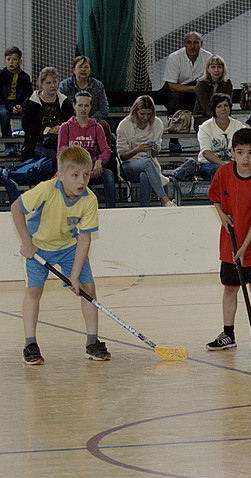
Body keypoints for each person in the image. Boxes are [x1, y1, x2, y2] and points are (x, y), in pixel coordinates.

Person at [11, 145, 109, 364]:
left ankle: (92, 343)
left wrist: (74, 276)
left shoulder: (89, 200)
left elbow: (84, 239)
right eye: (75, 175)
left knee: (89, 289)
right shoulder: (46, 190)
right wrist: (26, 243)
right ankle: (30, 343)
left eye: (85, 175)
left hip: (69, 248)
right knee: (34, 292)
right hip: (39, 247)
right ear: (61, 174)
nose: (81, 181)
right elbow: (16, 208)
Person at [205, 127, 251, 353]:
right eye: (241, 152)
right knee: (230, 289)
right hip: (230, 244)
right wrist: (221, 215)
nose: (246, 158)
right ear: (232, 152)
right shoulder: (223, 173)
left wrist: (244, 248)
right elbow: (214, 196)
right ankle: (228, 334)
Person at [57, 91, 115, 208]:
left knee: (108, 176)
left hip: (92, 170)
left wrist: (100, 161)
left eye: (86, 105)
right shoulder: (66, 127)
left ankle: (111, 209)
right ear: (74, 106)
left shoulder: (96, 127)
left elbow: (106, 150)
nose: (83, 109)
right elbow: (60, 154)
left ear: (90, 107)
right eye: (80, 105)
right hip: (73, 171)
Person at [116, 95, 174, 207]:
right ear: (135, 111)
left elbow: (155, 154)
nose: (145, 117)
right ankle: (164, 199)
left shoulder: (157, 124)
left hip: (149, 163)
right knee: (147, 164)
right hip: (128, 165)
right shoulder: (124, 125)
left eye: (149, 114)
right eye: (142, 114)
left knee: (145, 175)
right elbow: (122, 156)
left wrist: (155, 150)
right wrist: (137, 149)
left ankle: (144, 208)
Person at [163, 31, 213, 152]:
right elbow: (171, 85)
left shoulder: (208, 57)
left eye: (196, 42)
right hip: (176, 91)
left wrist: (199, 90)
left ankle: (206, 139)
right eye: (189, 42)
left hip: (198, 92)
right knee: (176, 97)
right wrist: (194, 89)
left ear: (201, 44)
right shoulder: (174, 57)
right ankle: (173, 141)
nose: (193, 46)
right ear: (184, 44)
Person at [20, 67, 73, 163]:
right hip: (37, 143)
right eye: (49, 83)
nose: (53, 85)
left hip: (61, 141)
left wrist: (61, 127)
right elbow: (26, 126)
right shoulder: (30, 102)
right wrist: (48, 130)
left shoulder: (65, 101)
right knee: (53, 157)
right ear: (41, 84)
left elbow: (71, 121)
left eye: (54, 82)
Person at [195, 93, 246, 181]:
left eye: (226, 105)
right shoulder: (205, 127)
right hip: (208, 164)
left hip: (234, 164)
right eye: (219, 106)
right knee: (221, 171)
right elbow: (206, 153)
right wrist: (225, 165)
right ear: (214, 109)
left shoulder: (240, 127)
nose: (223, 109)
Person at [58, 56, 109, 122]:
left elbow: (104, 108)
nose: (83, 69)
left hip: (93, 122)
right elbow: (62, 108)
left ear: (90, 70)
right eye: (80, 67)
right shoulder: (64, 86)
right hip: (71, 122)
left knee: (104, 125)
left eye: (86, 67)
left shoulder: (98, 86)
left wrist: (91, 121)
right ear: (74, 70)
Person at [0, 46, 32, 155]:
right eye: (9, 59)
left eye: (14, 59)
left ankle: (27, 145)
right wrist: (11, 106)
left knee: (30, 114)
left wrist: (21, 106)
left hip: (19, 105)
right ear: (5, 61)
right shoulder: (1, 75)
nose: (11, 62)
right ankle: (9, 146)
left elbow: (28, 96)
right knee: (4, 114)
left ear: (20, 61)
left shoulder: (25, 77)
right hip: (3, 105)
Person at [192, 55, 232, 127]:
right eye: (213, 67)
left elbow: (228, 104)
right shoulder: (201, 84)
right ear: (208, 69)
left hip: (223, 116)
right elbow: (206, 106)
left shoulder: (227, 84)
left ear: (223, 69)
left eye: (219, 67)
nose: (216, 70)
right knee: (212, 125)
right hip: (202, 117)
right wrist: (217, 119)